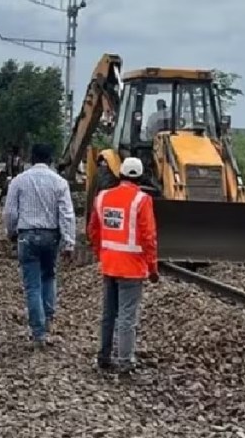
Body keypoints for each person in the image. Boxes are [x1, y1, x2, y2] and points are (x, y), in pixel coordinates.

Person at [87, 156, 159, 373]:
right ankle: (125, 361)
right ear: (139, 177)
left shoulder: (102, 197)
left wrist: (102, 253)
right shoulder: (142, 200)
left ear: (120, 174)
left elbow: (93, 230)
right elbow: (148, 236)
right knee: (127, 316)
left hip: (109, 265)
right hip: (132, 268)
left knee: (109, 314)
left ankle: (104, 356)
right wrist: (153, 267)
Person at [2, 143, 76, 349]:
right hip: (51, 236)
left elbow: (10, 213)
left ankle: (38, 333)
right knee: (49, 276)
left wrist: (11, 232)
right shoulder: (60, 182)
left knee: (32, 285)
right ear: (51, 159)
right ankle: (48, 318)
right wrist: (69, 242)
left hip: (27, 236)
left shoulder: (19, 181)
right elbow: (67, 214)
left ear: (31, 158)